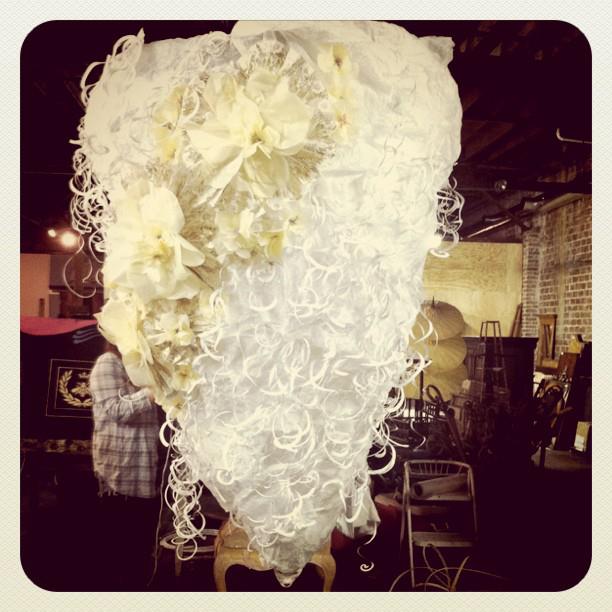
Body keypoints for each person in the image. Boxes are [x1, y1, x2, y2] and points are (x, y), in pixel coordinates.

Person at [89, 343, 162, 589]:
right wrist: (153, 392)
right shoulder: (109, 362)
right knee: (118, 546)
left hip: (143, 468)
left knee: (139, 544)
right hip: (122, 472)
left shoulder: (141, 366)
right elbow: (116, 410)